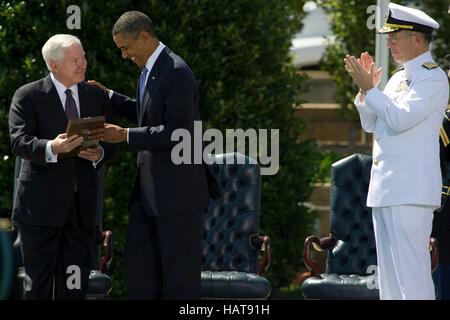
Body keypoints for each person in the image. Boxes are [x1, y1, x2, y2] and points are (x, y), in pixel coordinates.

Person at [89, 11, 210, 299]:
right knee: (140, 270)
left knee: (178, 280)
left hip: (177, 195)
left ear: (144, 36)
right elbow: (146, 113)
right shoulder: (149, 70)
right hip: (149, 193)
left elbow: (177, 132)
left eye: (126, 48)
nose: (124, 55)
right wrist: (109, 96)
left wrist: (125, 135)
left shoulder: (177, 72)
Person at [343, 3, 449, 300]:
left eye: (395, 36)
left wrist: (372, 91)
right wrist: (367, 91)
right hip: (387, 190)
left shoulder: (432, 77)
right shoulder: (398, 78)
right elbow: (373, 124)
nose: (388, 42)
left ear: (417, 38)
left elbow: (400, 119)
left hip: (411, 192)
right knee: (389, 281)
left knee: (412, 278)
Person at [9, 34, 113, 299]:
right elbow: (19, 142)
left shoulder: (94, 96)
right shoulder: (28, 95)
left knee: (74, 286)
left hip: (81, 212)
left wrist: (100, 152)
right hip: (40, 210)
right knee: (38, 286)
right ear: (54, 66)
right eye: (75, 60)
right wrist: (52, 148)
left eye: (84, 57)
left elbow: (110, 138)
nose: (83, 64)